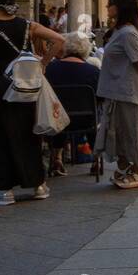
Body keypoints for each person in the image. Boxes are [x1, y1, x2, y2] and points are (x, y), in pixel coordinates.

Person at [0, 0, 64, 206]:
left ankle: (3, 190)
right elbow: (59, 40)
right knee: (27, 134)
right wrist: (42, 63)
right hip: (25, 86)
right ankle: (37, 184)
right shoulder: (29, 27)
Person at [96, 0, 138, 189]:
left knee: (132, 131)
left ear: (120, 7)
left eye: (110, 4)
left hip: (128, 91)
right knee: (119, 132)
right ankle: (126, 167)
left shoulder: (129, 33)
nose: (107, 8)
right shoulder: (119, 30)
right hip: (116, 90)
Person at [45, 33, 101, 178]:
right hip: (87, 121)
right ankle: (96, 159)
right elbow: (101, 98)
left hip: (58, 121)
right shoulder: (94, 71)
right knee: (95, 112)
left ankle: (57, 157)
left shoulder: (50, 69)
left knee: (58, 112)